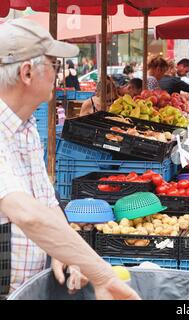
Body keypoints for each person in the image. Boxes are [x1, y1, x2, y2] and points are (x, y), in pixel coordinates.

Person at [0, 18, 139, 299]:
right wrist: (102, 274)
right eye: (54, 65)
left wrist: (69, 254)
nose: (58, 73)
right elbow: (26, 212)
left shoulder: (25, 129)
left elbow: (46, 204)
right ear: (27, 73)